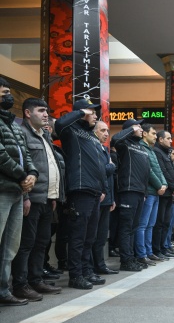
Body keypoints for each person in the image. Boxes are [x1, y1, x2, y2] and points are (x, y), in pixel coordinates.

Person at [11, 98, 62, 302]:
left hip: (47, 198)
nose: (45, 114)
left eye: (46, 111)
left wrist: (54, 194)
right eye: (41, 110)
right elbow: (23, 167)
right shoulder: (22, 133)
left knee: (42, 242)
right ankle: (20, 284)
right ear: (27, 113)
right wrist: (25, 196)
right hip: (31, 198)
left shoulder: (45, 136)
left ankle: (36, 279)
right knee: (26, 244)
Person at [55, 99, 107, 289]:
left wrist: (102, 188)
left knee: (89, 236)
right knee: (78, 236)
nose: (95, 115)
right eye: (92, 112)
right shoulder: (70, 130)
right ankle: (75, 275)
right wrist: (80, 112)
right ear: (82, 112)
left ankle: (86, 271)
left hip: (94, 191)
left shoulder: (90, 135)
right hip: (79, 189)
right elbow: (59, 124)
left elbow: (100, 165)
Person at [0, 80, 39, 305]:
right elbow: (2, 155)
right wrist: (22, 176)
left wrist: (31, 173)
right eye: (5, 92)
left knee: (10, 246)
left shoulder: (14, 125)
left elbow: (26, 154)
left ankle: (4, 290)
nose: (9, 96)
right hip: (4, 188)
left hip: (16, 190)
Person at [111, 119, 151, 271]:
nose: (141, 129)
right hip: (128, 190)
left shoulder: (140, 147)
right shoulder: (124, 144)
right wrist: (130, 129)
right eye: (138, 126)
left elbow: (146, 171)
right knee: (126, 227)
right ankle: (125, 260)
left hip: (140, 192)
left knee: (134, 227)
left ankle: (132, 257)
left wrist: (145, 191)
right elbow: (115, 139)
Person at [135, 123, 168, 263]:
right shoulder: (142, 148)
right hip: (149, 191)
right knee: (142, 225)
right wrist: (160, 185)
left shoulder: (151, 150)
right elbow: (148, 170)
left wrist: (164, 183)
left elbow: (159, 170)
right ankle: (141, 254)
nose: (155, 136)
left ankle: (149, 252)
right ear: (144, 134)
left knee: (150, 225)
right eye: (153, 133)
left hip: (156, 192)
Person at [91, 121, 119, 274]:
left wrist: (112, 198)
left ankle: (100, 265)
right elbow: (103, 170)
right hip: (97, 197)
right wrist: (111, 165)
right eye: (102, 130)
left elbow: (109, 178)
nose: (106, 133)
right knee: (92, 236)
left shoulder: (105, 150)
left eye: (107, 130)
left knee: (102, 236)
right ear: (94, 131)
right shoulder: (94, 147)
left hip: (106, 198)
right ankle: (92, 267)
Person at [153, 131, 174, 258]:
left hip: (170, 193)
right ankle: (157, 249)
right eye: (168, 138)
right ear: (160, 139)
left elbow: (171, 171)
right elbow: (162, 171)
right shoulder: (157, 152)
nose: (171, 141)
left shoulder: (165, 152)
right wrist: (173, 185)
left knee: (166, 222)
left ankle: (163, 247)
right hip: (164, 192)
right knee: (160, 223)